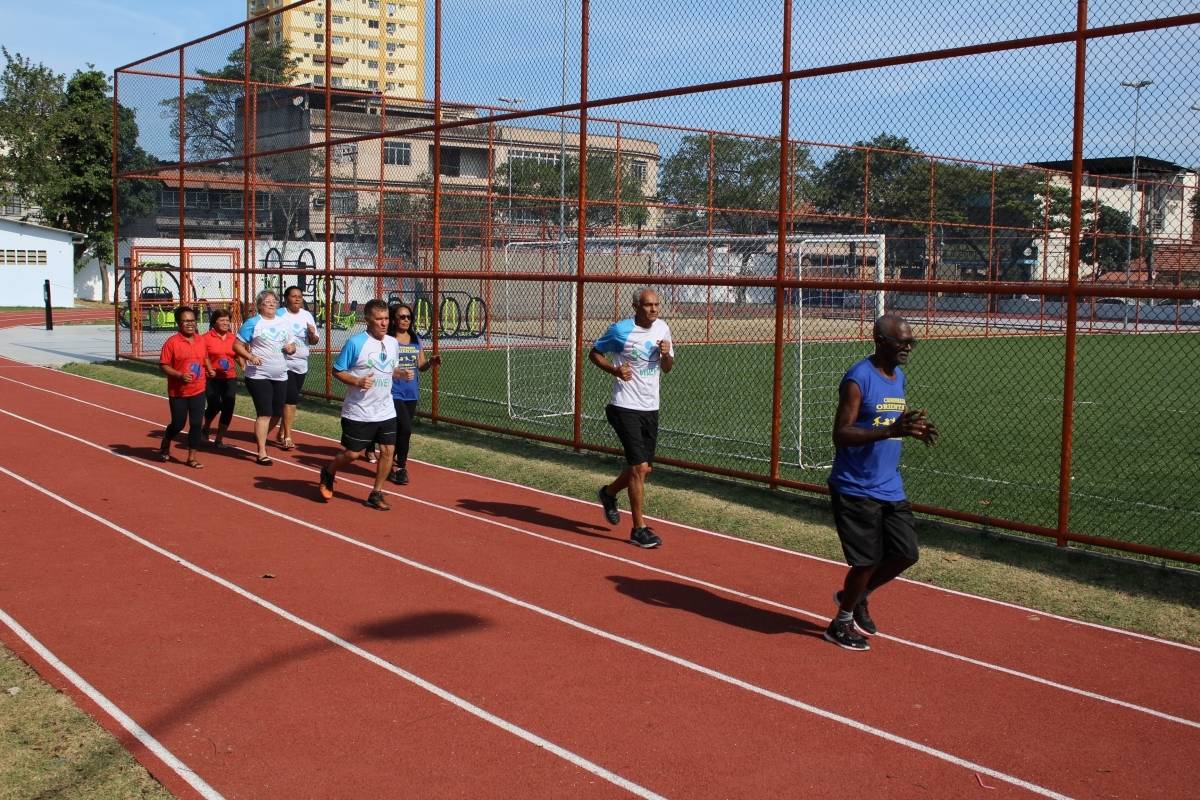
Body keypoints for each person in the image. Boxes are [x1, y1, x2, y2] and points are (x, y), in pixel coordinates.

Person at [823, 313, 938, 652]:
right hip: (854, 486)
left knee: (906, 552)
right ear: (880, 341)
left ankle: (856, 595)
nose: (908, 348)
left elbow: (889, 421)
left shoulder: (898, 375)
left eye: (911, 342)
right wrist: (890, 430)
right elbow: (841, 434)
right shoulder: (858, 379)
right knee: (866, 561)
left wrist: (909, 429)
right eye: (902, 342)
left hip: (889, 484)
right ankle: (840, 622)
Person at [589, 288, 675, 549]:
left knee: (644, 468)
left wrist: (666, 354)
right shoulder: (620, 330)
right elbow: (594, 353)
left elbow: (668, 369)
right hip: (624, 405)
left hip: (651, 406)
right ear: (636, 306)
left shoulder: (663, 329)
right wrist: (615, 370)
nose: (654, 309)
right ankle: (638, 528)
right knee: (638, 468)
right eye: (649, 305)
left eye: (657, 305)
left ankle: (609, 493)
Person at [318, 299, 401, 510]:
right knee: (353, 454)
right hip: (359, 411)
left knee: (388, 451)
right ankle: (329, 470)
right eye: (379, 319)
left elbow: (391, 369)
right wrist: (357, 381)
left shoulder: (393, 343)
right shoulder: (356, 343)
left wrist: (401, 373)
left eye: (386, 319)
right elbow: (337, 370)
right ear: (368, 320)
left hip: (385, 409)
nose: (384, 323)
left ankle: (376, 493)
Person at [232, 289, 297, 465]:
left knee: (277, 413)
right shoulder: (253, 323)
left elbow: (291, 344)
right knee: (265, 412)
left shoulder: (283, 323)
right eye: (267, 301)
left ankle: (260, 435)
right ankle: (261, 451)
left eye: (273, 301)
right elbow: (237, 346)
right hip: (258, 374)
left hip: (281, 374)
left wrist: (291, 348)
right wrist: (250, 357)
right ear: (260, 305)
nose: (271, 303)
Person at [387, 302, 440, 485]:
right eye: (402, 317)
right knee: (406, 428)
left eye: (409, 317)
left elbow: (421, 365)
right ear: (394, 318)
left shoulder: (415, 338)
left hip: (411, 392)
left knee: (402, 431)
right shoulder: (388, 339)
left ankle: (387, 463)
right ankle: (401, 467)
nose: (406, 320)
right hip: (392, 392)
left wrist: (431, 362)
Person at [158, 305, 211, 468]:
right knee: (178, 424)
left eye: (193, 321)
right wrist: (180, 375)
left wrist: (209, 368)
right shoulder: (172, 343)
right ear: (178, 323)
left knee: (196, 423)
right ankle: (167, 439)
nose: (190, 324)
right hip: (178, 392)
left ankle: (192, 457)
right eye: (186, 321)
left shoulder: (201, 340)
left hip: (199, 389)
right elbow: (163, 365)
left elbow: (205, 358)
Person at [275, 285, 321, 451]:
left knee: (289, 399)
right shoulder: (280, 314)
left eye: (300, 296)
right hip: (284, 362)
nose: (297, 299)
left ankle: (281, 431)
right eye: (293, 296)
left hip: (301, 362)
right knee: (291, 399)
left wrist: (311, 334)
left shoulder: (307, 315)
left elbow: (315, 340)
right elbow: (271, 334)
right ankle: (287, 436)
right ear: (286, 298)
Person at [202, 308, 240, 448]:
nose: (225, 323)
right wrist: (209, 368)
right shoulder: (205, 338)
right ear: (214, 322)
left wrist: (243, 365)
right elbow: (202, 356)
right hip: (211, 377)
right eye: (222, 320)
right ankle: (206, 427)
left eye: (227, 320)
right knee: (214, 405)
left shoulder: (233, 338)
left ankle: (219, 439)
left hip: (229, 377)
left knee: (228, 407)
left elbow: (237, 354)